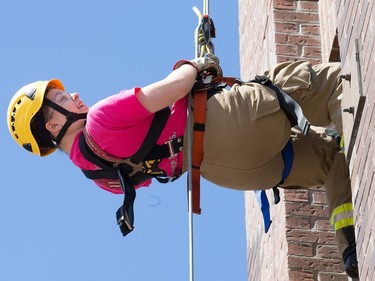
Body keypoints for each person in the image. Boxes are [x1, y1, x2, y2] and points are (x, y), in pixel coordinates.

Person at [7, 56, 358, 278]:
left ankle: (352, 248)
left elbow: (151, 169)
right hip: (227, 122)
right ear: (52, 126)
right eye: (62, 99)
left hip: (230, 171)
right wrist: (193, 65)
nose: (75, 96)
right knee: (319, 84)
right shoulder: (99, 119)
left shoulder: (100, 177)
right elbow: (174, 89)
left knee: (329, 161)